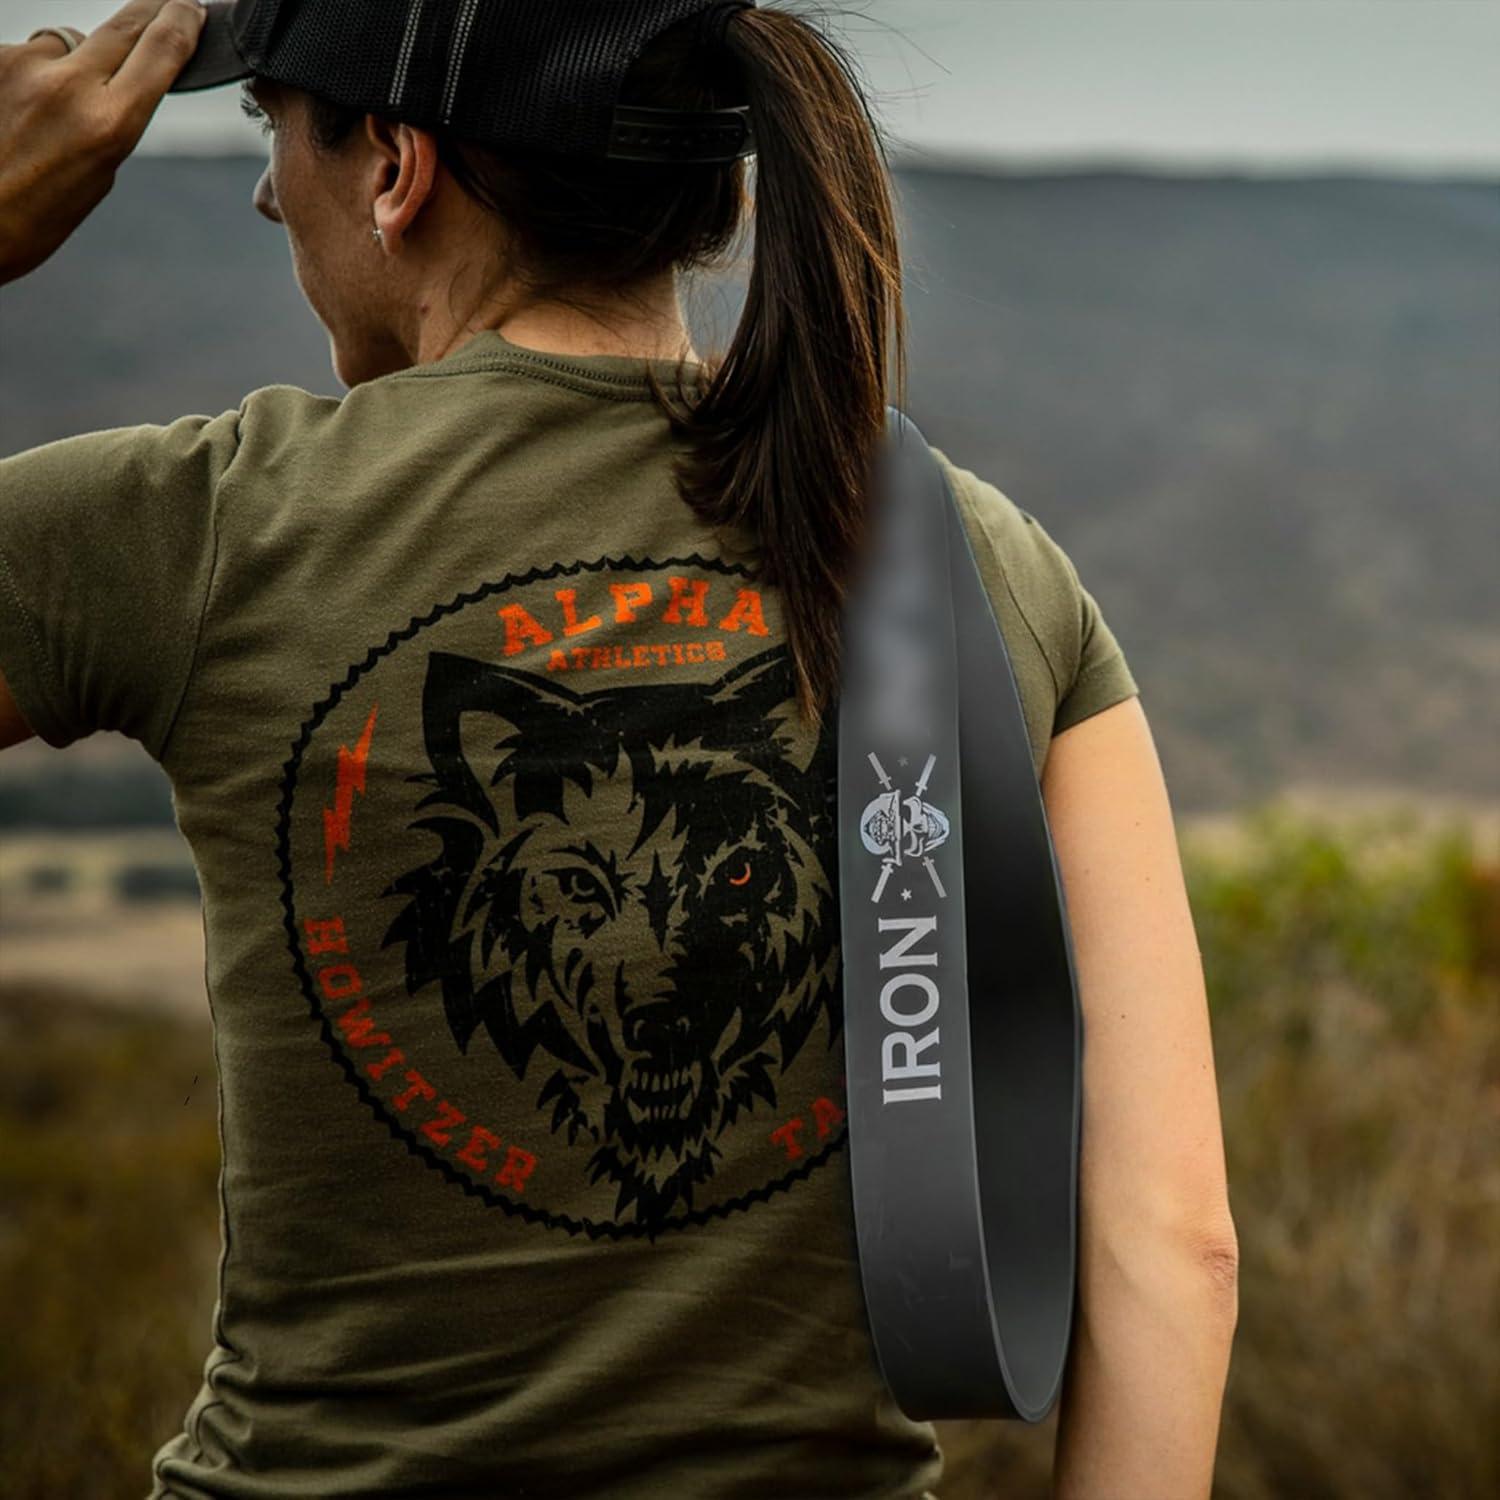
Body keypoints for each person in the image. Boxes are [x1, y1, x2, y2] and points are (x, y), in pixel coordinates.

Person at [0, 2, 1239, 1497]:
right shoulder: (975, 564)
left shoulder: (202, 530)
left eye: (276, 130)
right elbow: (1173, 1242)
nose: (270, 194)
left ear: (395, 166)